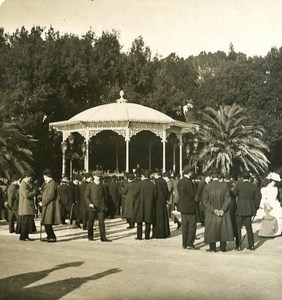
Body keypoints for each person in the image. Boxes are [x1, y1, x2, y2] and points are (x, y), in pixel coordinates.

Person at [203, 168, 234, 252]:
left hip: (212, 212)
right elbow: (228, 199)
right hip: (223, 211)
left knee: (211, 229)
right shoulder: (224, 185)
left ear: (211, 176)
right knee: (223, 228)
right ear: (218, 175)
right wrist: (223, 210)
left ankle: (212, 248)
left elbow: (205, 201)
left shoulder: (207, 187)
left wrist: (214, 210)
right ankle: (222, 247)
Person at [232, 171, 261, 250]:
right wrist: (255, 207)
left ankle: (238, 246)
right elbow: (258, 197)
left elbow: (233, 195)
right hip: (249, 210)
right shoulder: (254, 186)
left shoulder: (238, 186)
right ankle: (251, 245)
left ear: (242, 177)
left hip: (240, 209)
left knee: (238, 228)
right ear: (249, 178)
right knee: (249, 228)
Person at [85, 170, 111, 242]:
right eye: (97, 176)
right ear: (94, 176)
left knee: (101, 222)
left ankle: (103, 237)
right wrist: (89, 203)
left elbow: (106, 197)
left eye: (100, 176)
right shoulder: (89, 186)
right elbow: (86, 196)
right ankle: (90, 237)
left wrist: (106, 205)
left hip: (101, 206)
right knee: (90, 222)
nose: (99, 178)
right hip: (92, 207)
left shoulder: (103, 185)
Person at [132, 169, 157, 240]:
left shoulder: (139, 184)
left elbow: (134, 195)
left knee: (139, 221)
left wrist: (136, 201)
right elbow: (155, 195)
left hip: (140, 205)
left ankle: (139, 236)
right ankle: (147, 236)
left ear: (143, 176)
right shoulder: (152, 184)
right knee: (148, 221)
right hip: (149, 205)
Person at [177, 165, 197, 249]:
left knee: (184, 226)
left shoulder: (180, 181)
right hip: (190, 207)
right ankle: (190, 243)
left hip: (182, 206)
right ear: (190, 172)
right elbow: (192, 194)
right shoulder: (189, 182)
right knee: (192, 226)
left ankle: (184, 243)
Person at [257, 172, 282, 237]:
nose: (275, 183)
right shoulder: (265, 189)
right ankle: (266, 233)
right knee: (268, 218)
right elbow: (264, 198)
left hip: (275, 204)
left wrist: (278, 204)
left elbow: (276, 197)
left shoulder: (275, 189)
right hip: (268, 204)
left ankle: (277, 232)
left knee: (277, 217)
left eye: (275, 182)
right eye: (273, 181)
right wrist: (266, 204)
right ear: (270, 181)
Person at [40, 169, 61, 243]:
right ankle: (49, 236)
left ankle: (52, 236)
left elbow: (51, 195)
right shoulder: (48, 183)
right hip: (48, 204)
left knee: (47, 222)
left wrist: (43, 202)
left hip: (50, 205)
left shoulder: (52, 183)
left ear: (45, 176)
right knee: (46, 221)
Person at [17, 170, 38, 241]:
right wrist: (34, 192)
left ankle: (26, 236)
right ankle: (23, 236)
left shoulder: (27, 184)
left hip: (28, 206)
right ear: (27, 177)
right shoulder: (23, 184)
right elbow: (26, 195)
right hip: (25, 207)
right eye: (30, 178)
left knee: (28, 222)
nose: (31, 179)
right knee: (25, 222)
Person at [152, 170, 170, 239]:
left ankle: (158, 233)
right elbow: (166, 191)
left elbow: (156, 192)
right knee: (163, 217)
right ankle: (165, 233)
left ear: (156, 174)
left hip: (157, 201)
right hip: (163, 201)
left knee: (158, 218)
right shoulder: (163, 181)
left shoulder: (156, 182)